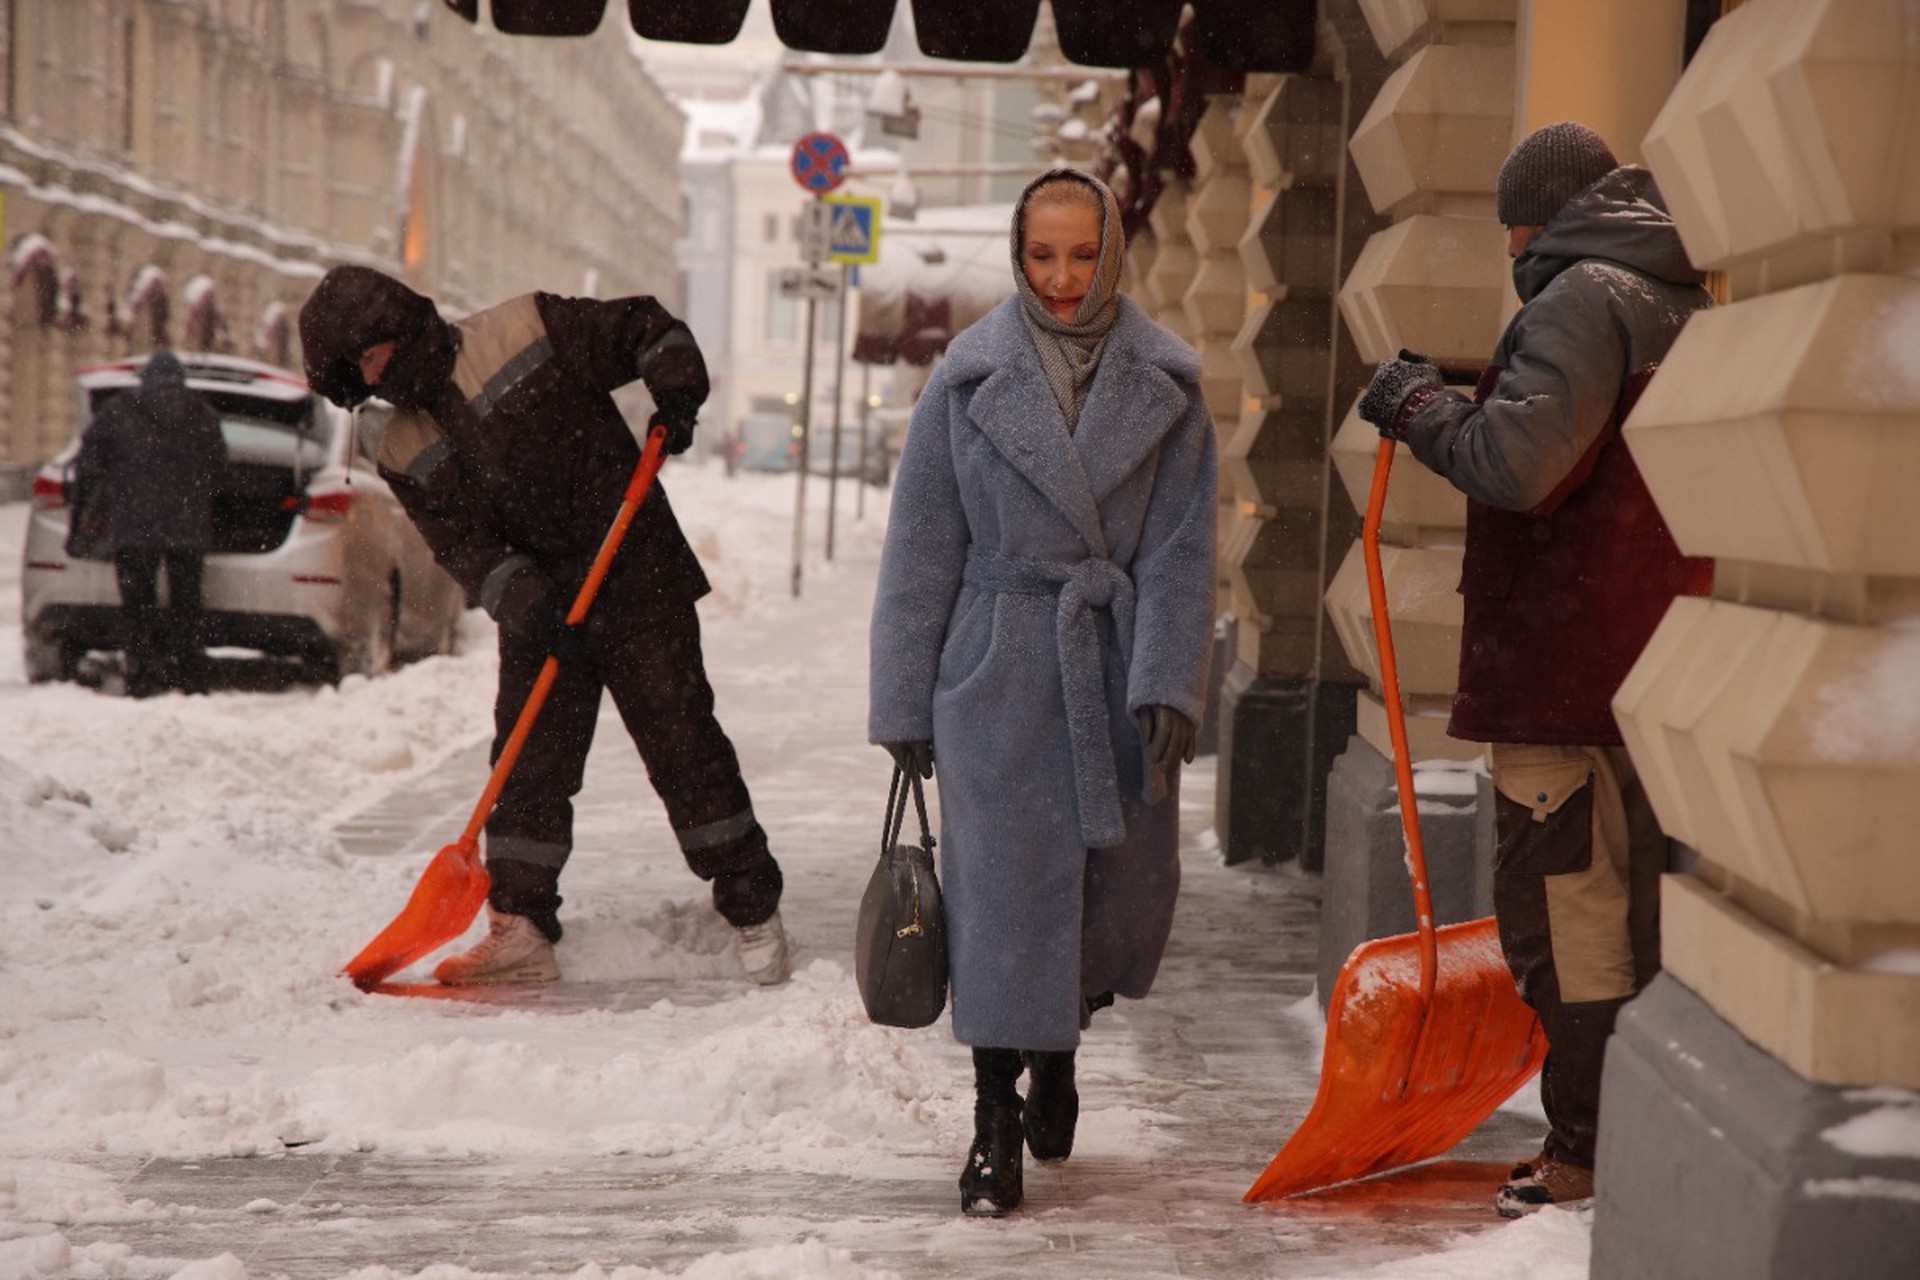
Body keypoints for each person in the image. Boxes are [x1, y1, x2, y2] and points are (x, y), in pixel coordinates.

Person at [1356, 121, 1714, 1217]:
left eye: (1513, 227)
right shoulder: (1678, 297)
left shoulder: (1574, 297)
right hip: (1653, 654)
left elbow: (1521, 462)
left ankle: (1584, 1155)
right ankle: (1623, 1137)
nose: (1509, 247)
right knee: (1636, 916)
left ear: (1540, 218)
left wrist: (1419, 410)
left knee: (1566, 920)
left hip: (1565, 666)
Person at [868, 170, 1218, 1217]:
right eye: (1040, 256)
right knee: (997, 908)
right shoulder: (967, 378)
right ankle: (991, 1125)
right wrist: (903, 704)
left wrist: (1167, 680)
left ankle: (1059, 1044)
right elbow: (923, 548)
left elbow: (1182, 551)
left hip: (1111, 671)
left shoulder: (1169, 384)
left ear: (1110, 249)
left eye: (1079, 254)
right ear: (1017, 257)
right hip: (998, 671)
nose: (1061, 279)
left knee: (1106, 904)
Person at [297, 266, 789, 988]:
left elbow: (644, 329)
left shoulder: (523, 329)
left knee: (682, 742)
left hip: (633, 571)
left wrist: (675, 390)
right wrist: (528, 603)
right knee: (528, 767)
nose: (373, 381)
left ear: (393, 331)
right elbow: (461, 543)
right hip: (544, 610)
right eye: (358, 377)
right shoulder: (399, 443)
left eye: (369, 361)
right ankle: (522, 926)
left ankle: (753, 910)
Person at [73, 351, 228, 698]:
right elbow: (219, 468)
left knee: (137, 607)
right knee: (186, 605)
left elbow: (90, 460)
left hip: (134, 527)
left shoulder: (118, 410)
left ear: (146, 378)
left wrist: (110, 496)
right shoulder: (202, 413)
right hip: (188, 527)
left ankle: (141, 676)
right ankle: (188, 676)